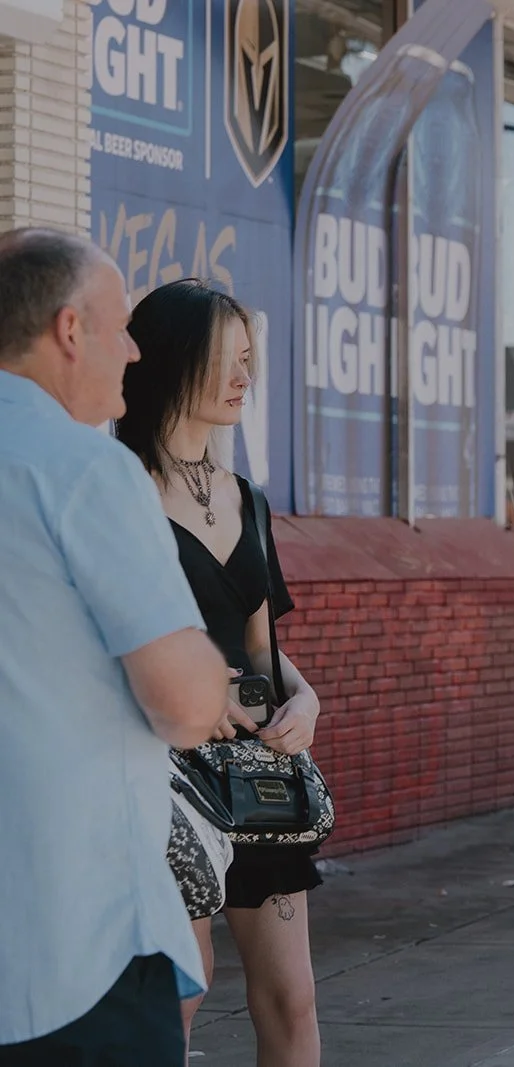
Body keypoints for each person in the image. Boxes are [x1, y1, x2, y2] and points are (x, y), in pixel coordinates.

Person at [0, 228, 228, 1063]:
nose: (133, 349)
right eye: (120, 324)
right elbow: (187, 701)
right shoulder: (85, 470)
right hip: (75, 945)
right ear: (69, 330)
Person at [117, 279, 324, 1065]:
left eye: (250, 359)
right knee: (182, 989)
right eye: (227, 359)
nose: (246, 377)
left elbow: (260, 646)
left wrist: (305, 697)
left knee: (292, 998)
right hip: (164, 773)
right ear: (173, 360)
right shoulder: (120, 486)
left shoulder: (248, 498)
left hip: (257, 777)